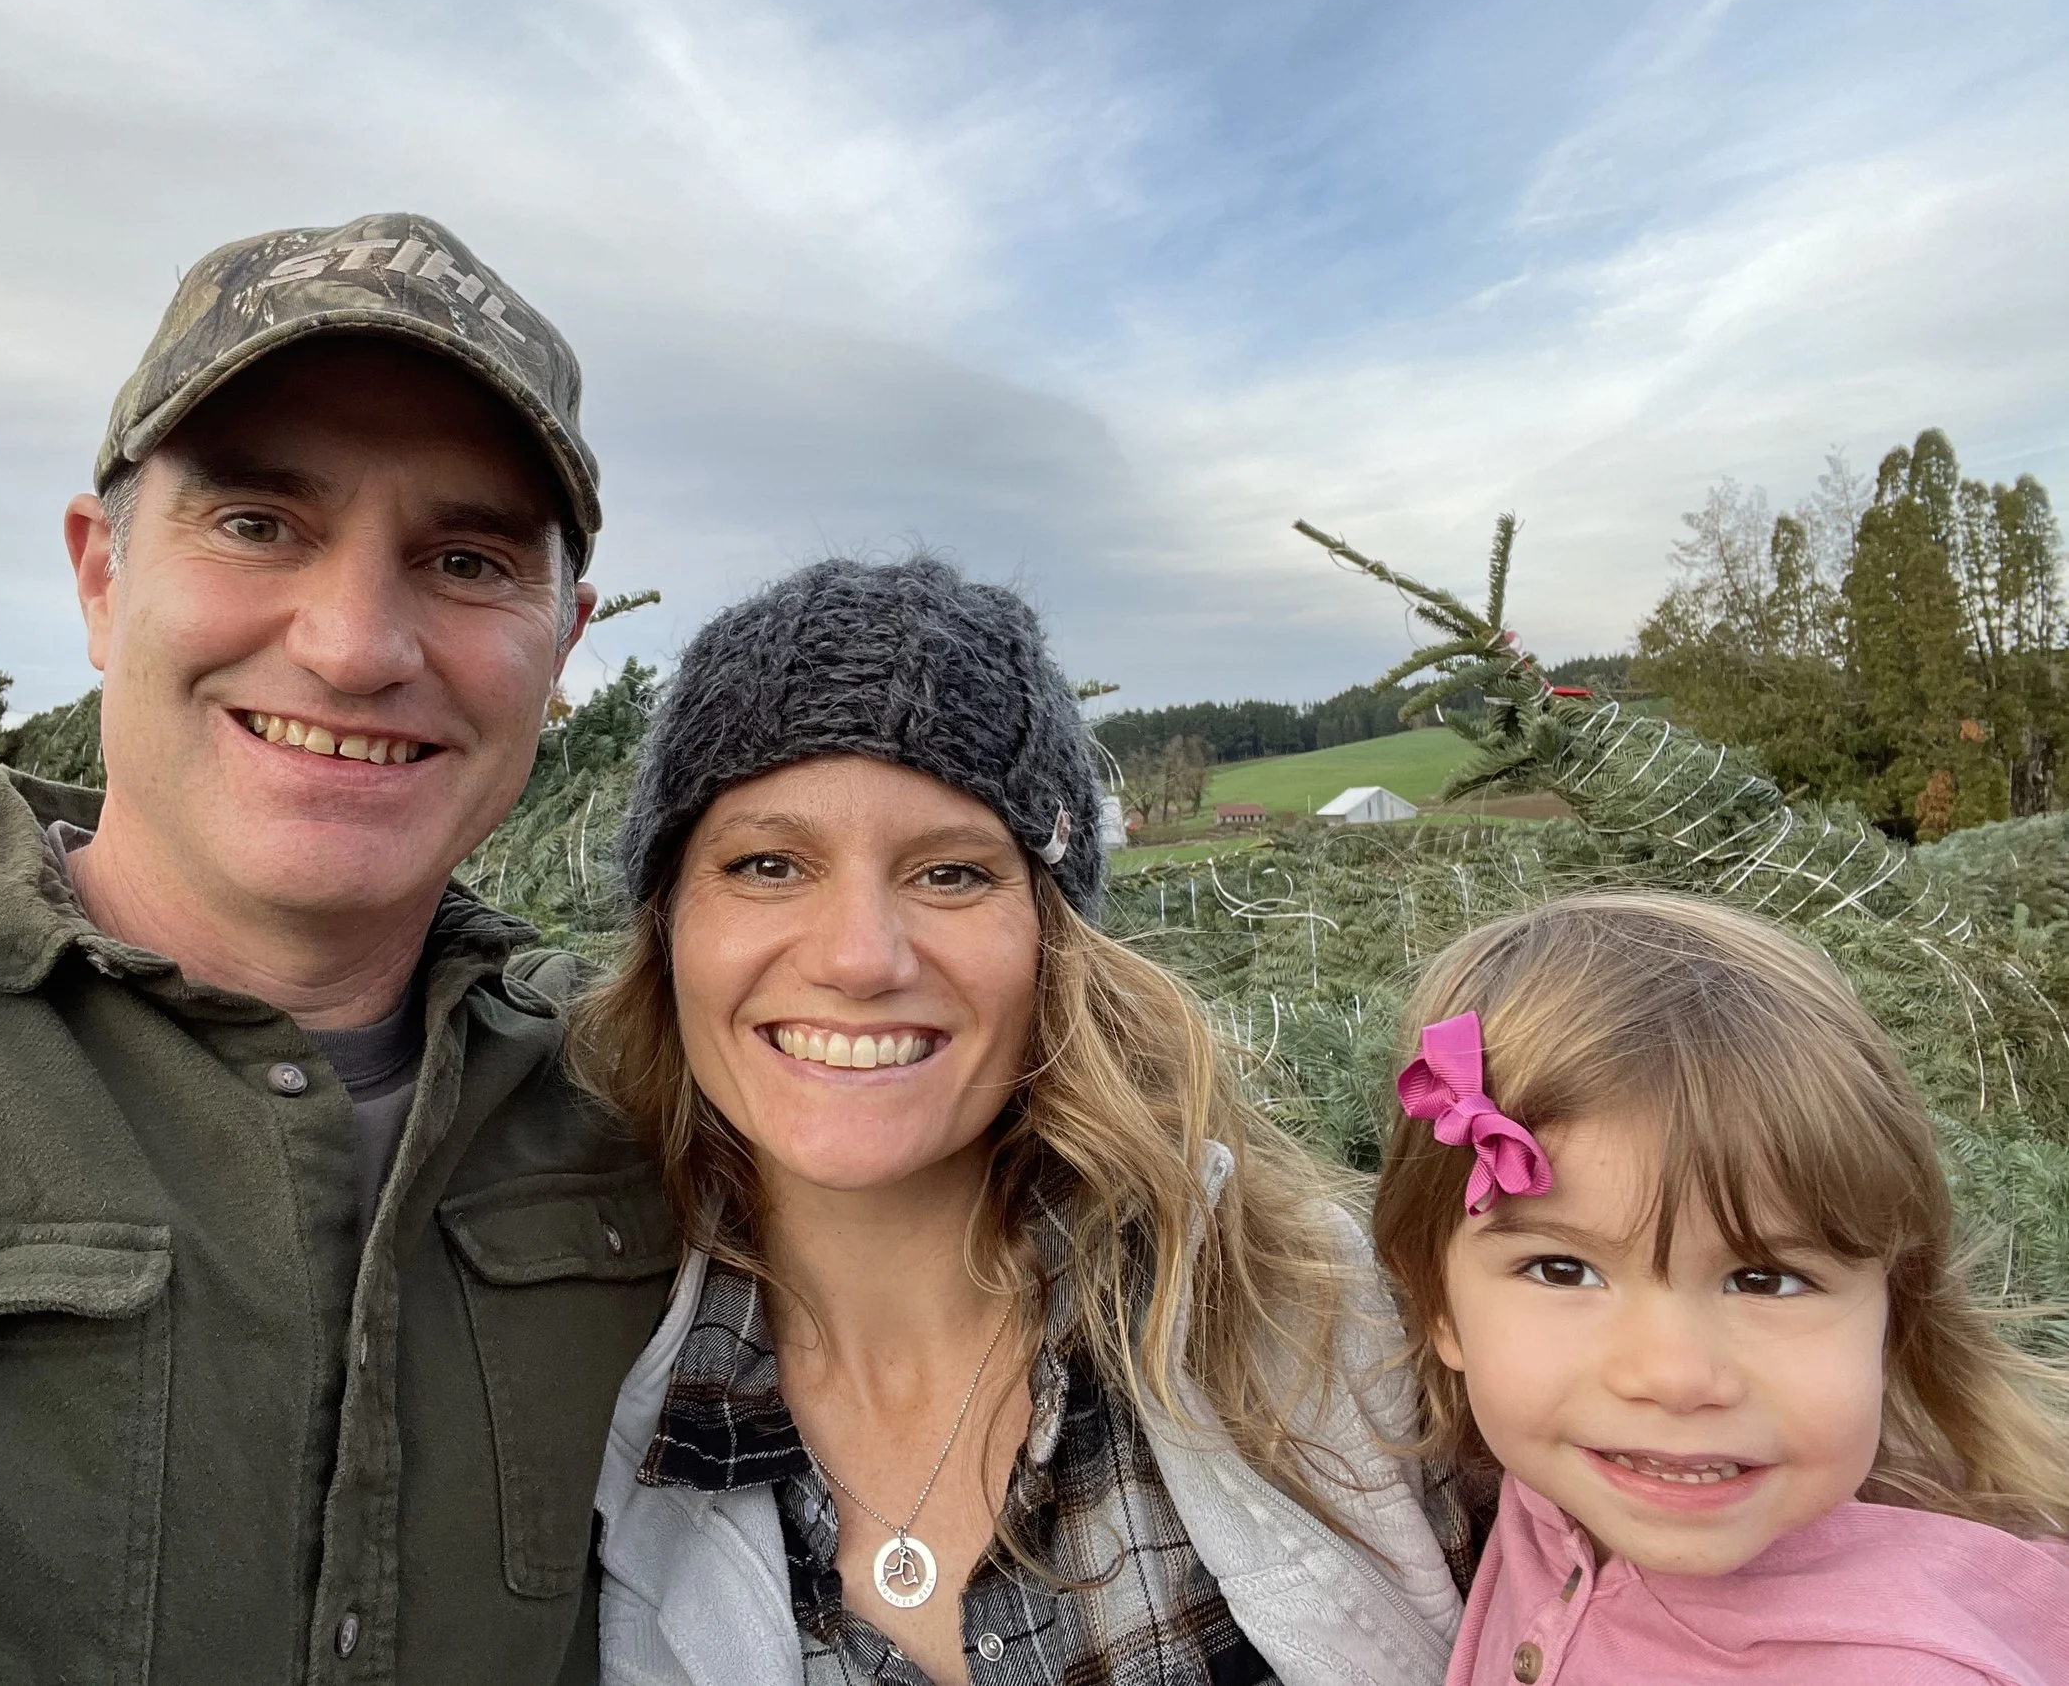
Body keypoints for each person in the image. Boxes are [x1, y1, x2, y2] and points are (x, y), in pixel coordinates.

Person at [0, 214, 678, 1684]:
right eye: (259, 522)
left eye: (467, 558)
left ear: (561, 638)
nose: (354, 643)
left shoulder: (655, 1120)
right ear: (101, 576)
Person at [574, 556, 1463, 1686]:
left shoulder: (1301, 1324)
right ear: (668, 925)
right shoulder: (574, 1395)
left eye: (950, 873)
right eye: (765, 864)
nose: (858, 958)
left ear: (1053, 940)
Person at [1371, 891, 2069, 1685]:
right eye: (1563, 1270)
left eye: (1763, 1279)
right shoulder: (1556, 1488)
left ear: (1891, 1312)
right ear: (1438, 1299)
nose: (1673, 1376)